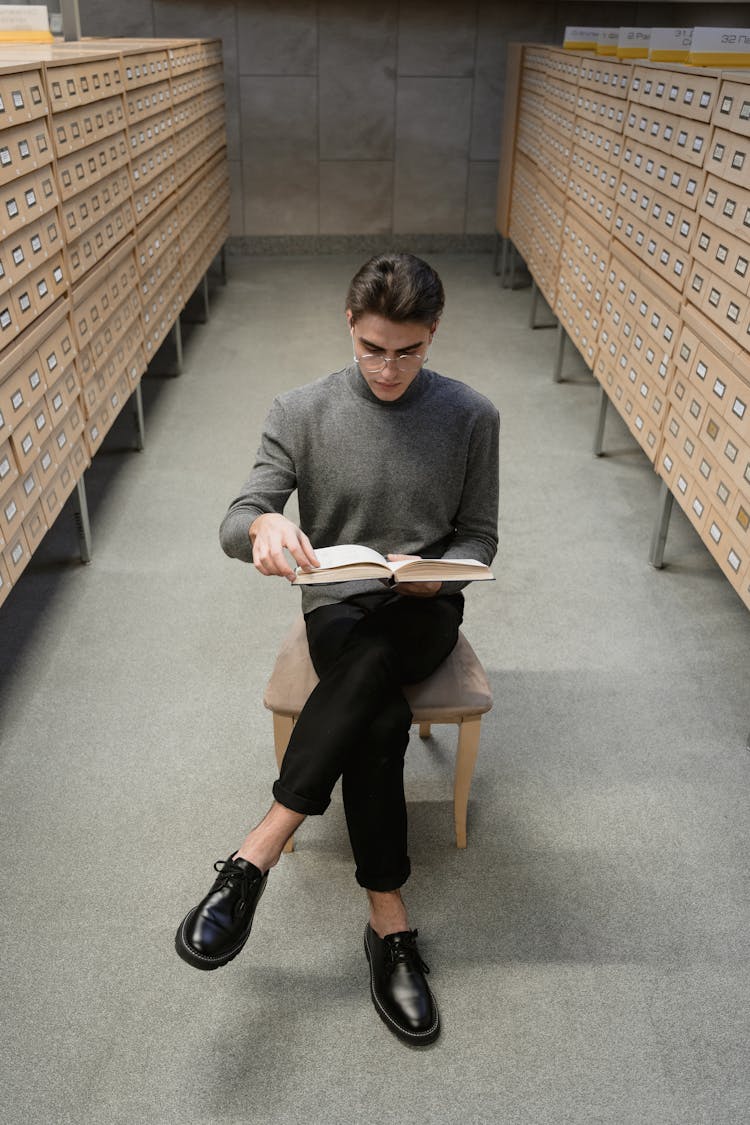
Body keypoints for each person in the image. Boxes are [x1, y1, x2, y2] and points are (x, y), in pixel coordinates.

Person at [174, 253, 500, 1046]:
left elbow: (480, 533)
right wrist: (265, 525)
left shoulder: (470, 415)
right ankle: (389, 927)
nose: (389, 368)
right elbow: (237, 514)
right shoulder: (302, 409)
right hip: (340, 606)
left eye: (409, 350)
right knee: (379, 722)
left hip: (423, 605)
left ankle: (259, 850)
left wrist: (435, 571)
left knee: (386, 661)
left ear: (433, 337)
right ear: (350, 327)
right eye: (373, 348)